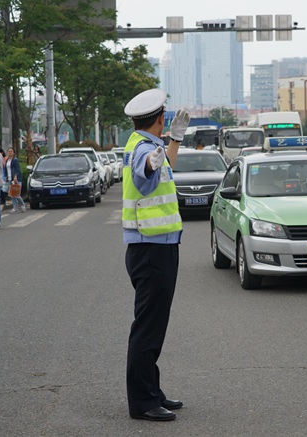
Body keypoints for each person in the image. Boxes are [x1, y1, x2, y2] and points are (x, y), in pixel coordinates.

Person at [121, 88, 191, 422]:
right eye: (166, 119)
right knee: (148, 327)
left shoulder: (151, 146)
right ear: (159, 118)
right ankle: (143, 402)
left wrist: (174, 140)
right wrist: (151, 162)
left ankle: (153, 390)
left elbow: (165, 165)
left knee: (154, 324)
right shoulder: (142, 150)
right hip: (150, 249)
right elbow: (144, 171)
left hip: (156, 247)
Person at [5, 147, 25, 213]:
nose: (10, 152)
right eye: (9, 151)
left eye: (11, 151)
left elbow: (17, 169)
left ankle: (22, 204)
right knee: (12, 194)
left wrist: (15, 177)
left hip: (16, 179)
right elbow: (6, 169)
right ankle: (15, 207)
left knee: (17, 194)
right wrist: (6, 177)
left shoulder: (15, 160)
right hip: (10, 179)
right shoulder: (7, 160)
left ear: (13, 153)